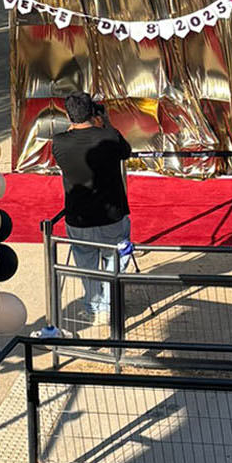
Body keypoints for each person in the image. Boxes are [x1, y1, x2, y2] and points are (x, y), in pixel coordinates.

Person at [51, 92, 133, 325]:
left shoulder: (59, 142)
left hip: (79, 216)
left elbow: (65, 148)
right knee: (115, 258)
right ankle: (110, 304)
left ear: (68, 115)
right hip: (112, 216)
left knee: (85, 261)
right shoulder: (109, 135)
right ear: (93, 112)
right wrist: (104, 121)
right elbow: (125, 152)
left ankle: (95, 304)